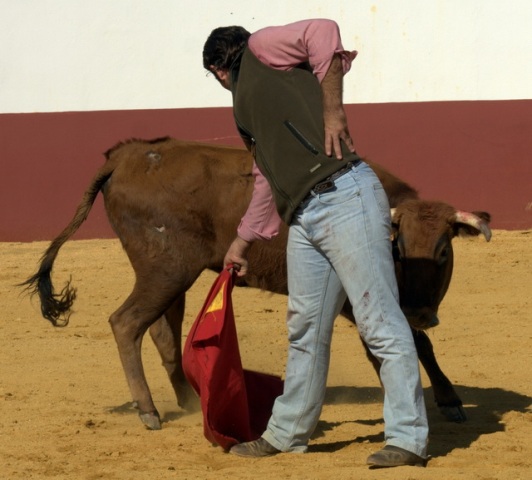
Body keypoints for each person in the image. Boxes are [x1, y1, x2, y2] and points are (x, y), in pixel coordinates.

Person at [202, 18, 429, 468]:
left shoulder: (262, 47)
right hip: (304, 215)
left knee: (378, 319)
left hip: (345, 193)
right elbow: (266, 176)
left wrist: (333, 110)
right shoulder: (244, 111)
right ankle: (288, 433)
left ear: (218, 69)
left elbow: (323, 29)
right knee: (305, 327)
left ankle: (407, 438)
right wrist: (243, 241)